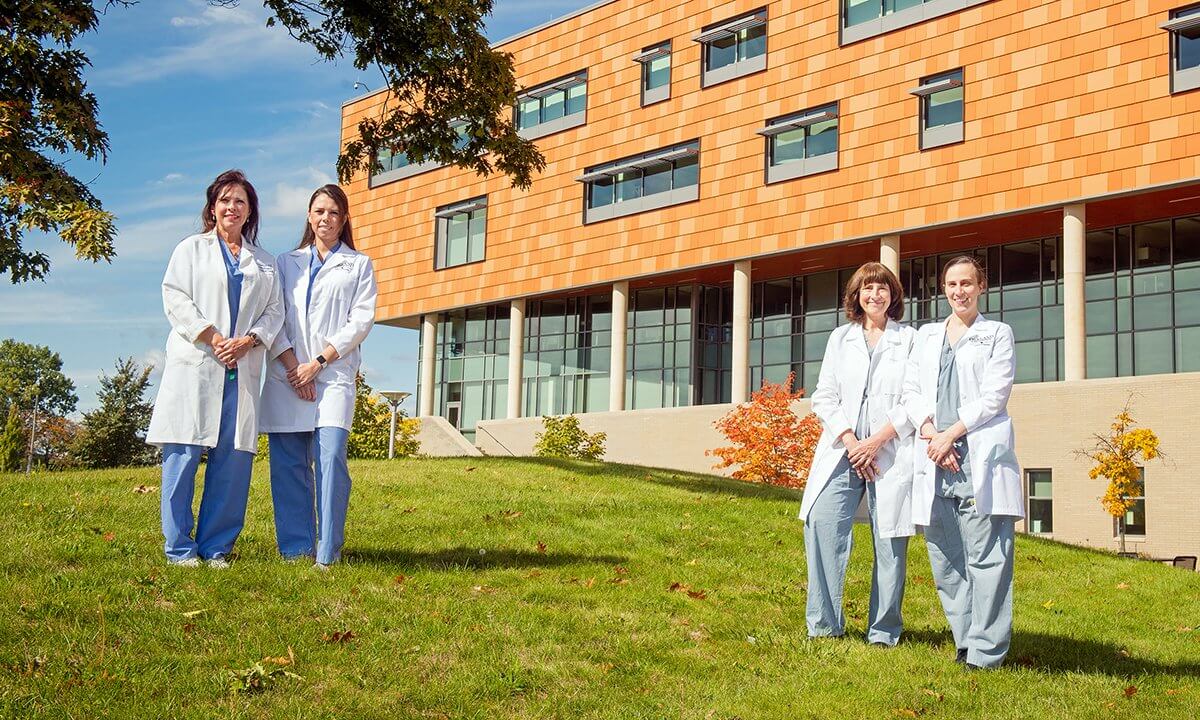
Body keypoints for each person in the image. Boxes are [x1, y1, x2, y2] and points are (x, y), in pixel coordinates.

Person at [147, 169, 283, 568]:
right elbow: (174, 295)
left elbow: (276, 311)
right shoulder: (191, 249)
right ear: (212, 207)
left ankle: (216, 546)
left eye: (240, 201)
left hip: (241, 367)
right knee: (184, 454)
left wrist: (250, 340)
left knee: (233, 461)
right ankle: (179, 548)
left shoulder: (266, 262)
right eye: (225, 200)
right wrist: (211, 336)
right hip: (199, 363)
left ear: (250, 211)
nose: (232, 207)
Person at [902, 255, 1023, 669]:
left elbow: (995, 396)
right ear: (943, 289)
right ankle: (965, 640)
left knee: (988, 557)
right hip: (935, 457)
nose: (959, 292)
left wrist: (951, 435)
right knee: (946, 558)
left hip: (977, 456)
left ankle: (987, 653)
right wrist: (933, 434)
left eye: (967, 283)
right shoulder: (927, 335)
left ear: (981, 286)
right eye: (952, 284)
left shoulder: (997, 334)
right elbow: (912, 390)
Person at [259, 184, 377, 570]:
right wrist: (296, 367)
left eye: (333, 213)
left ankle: (327, 552)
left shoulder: (358, 265)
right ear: (309, 216)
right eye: (319, 211)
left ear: (344, 220)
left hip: (333, 375)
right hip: (287, 375)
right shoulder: (284, 262)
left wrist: (318, 364)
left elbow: (360, 321)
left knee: (330, 461)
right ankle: (295, 549)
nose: (325, 218)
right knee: (288, 465)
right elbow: (273, 318)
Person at [800, 261, 917, 646]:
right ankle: (823, 625)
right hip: (843, 450)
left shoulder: (910, 339)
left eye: (882, 288)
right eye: (867, 288)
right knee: (822, 524)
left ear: (893, 295)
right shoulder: (840, 338)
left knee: (890, 541)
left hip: (889, 451)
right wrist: (852, 441)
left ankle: (883, 632)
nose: (875, 295)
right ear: (856, 295)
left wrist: (877, 441)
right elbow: (825, 395)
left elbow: (914, 400)